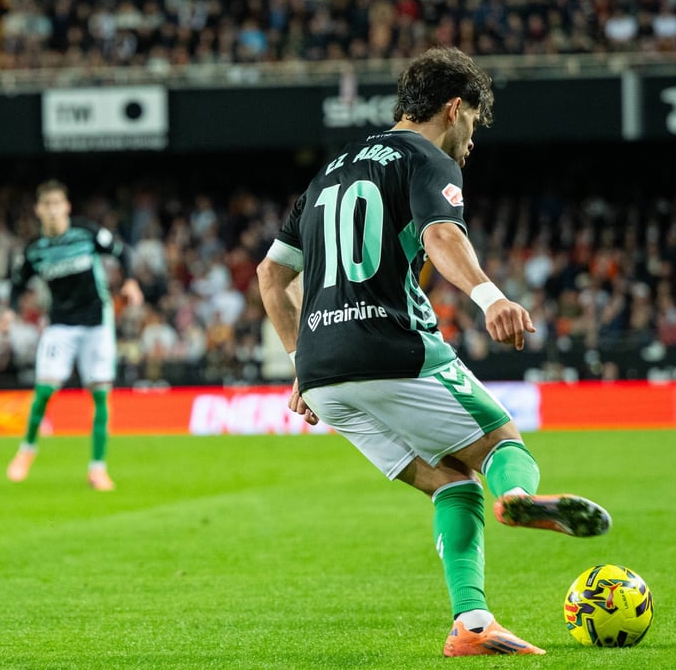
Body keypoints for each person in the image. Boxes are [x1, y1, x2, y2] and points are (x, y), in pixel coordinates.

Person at [255, 46, 611, 657]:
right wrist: (490, 295)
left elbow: (269, 274)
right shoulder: (426, 159)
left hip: (323, 377)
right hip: (391, 351)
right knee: (500, 443)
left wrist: (299, 362)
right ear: (453, 109)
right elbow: (441, 233)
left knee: (453, 485)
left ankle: (471, 626)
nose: (472, 140)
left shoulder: (331, 169)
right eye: (473, 122)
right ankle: (519, 499)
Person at [5, 179, 144, 491]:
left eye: (58, 204)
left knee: (100, 394)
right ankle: (27, 449)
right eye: (47, 205)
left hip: (97, 322)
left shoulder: (87, 233)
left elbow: (123, 253)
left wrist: (131, 281)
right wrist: (9, 311)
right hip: (61, 325)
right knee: (44, 390)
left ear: (66, 207)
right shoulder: (35, 250)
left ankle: (97, 468)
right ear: (38, 210)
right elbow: (16, 283)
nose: (53, 211)